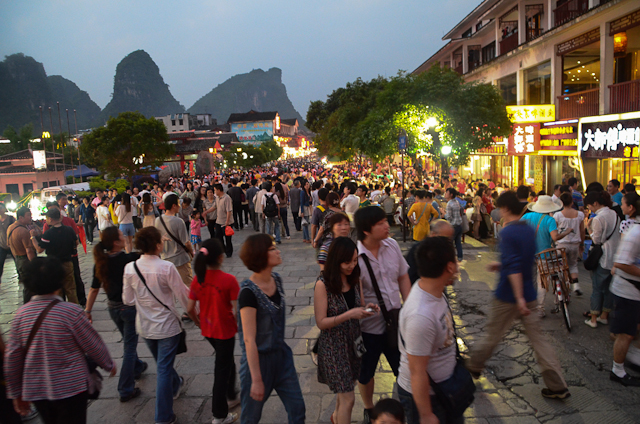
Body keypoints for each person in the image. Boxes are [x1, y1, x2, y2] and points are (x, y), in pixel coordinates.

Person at [467, 191, 570, 399]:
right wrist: (502, 265)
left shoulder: (507, 232)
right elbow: (521, 260)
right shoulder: (527, 230)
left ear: (505, 209)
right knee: (539, 341)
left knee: (493, 334)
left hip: (509, 295)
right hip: (529, 293)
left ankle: (473, 365)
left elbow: (514, 265)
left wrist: (518, 297)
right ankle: (558, 385)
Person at [4, 257, 116, 424]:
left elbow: (12, 356)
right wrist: (108, 364)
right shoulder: (71, 312)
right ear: (59, 282)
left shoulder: (21, 315)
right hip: (71, 387)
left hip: (37, 388)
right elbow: (92, 343)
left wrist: (15, 392)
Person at [123, 227, 190, 424]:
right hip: (167, 327)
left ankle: (176, 383)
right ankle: (163, 417)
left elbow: (127, 299)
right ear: (158, 245)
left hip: (144, 326)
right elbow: (182, 295)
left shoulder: (130, 268)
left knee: (163, 364)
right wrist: (196, 313)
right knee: (163, 368)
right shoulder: (166, 267)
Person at [237, 234, 305, 423]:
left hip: (282, 357)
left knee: (298, 409)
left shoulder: (277, 279)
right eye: (272, 248)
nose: (278, 251)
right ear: (261, 255)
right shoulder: (248, 293)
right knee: (250, 418)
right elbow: (249, 339)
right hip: (258, 362)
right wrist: (257, 379)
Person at [354, 206, 411, 424]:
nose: (387, 225)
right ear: (366, 231)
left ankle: (404, 410)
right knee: (366, 373)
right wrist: (362, 307)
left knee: (403, 369)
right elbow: (355, 294)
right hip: (369, 328)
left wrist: (408, 305)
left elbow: (403, 276)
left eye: (385, 221)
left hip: (396, 323)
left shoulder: (392, 245)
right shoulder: (356, 257)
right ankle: (369, 409)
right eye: (380, 224)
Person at [397, 237, 461, 424]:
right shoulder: (421, 316)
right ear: (449, 267)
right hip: (428, 398)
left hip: (444, 389)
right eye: (456, 260)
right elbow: (417, 370)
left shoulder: (432, 290)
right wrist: (425, 414)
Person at [314, 237, 378, 424]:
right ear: (335, 260)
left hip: (354, 345)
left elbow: (360, 306)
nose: (352, 265)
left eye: (355, 260)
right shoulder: (322, 284)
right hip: (334, 348)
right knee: (349, 399)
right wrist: (349, 314)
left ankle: (336, 418)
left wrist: (368, 309)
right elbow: (321, 322)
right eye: (347, 261)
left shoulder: (355, 279)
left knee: (344, 394)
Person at [85, 226, 147, 402]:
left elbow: (94, 289)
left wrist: (88, 311)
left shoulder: (101, 262)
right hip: (128, 308)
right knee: (129, 346)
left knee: (128, 341)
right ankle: (125, 388)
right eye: (121, 236)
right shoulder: (128, 260)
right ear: (116, 242)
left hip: (113, 308)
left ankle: (137, 367)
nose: (124, 237)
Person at [187, 239, 240, 423]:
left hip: (208, 330)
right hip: (224, 331)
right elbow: (236, 310)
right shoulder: (229, 280)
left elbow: (189, 308)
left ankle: (232, 394)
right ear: (220, 257)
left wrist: (198, 322)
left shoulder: (198, 279)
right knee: (221, 371)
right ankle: (220, 414)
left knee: (225, 362)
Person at [520, 195, 572, 317]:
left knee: (529, 280)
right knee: (542, 282)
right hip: (544, 255)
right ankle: (540, 309)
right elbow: (555, 237)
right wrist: (566, 232)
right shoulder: (550, 220)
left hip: (527, 254)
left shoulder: (526, 216)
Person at [609, 191, 640, 386]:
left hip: (634, 290)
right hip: (628, 290)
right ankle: (617, 370)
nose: (621, 206)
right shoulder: (635, 233)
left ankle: (634, 357)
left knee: (632, 329)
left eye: (623, 204)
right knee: (625, 333)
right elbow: (620, 262)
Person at [583, 190, 621, 328]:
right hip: (613, 257)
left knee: (597, 288)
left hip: (602, 257)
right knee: (608, 288)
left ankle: (593, 318)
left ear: (595, 203)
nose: (589, 209)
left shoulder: (598, 219)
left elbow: (597, 240)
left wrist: (588, 228)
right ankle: (604, 316)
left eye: (589, 206)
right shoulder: (614, 214)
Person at [31, 208, 79, 304]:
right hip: (68, 262)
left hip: (54, 266)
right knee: (71, 289)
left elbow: (40, 249)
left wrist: (32, 238)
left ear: (50, 219)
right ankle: (75, 309)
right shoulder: (69, 230)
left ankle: (59, 310)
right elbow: (76, 242)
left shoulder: (48, 233)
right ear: (60, 217)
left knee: (57, 290)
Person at [156, 193, 194, 291]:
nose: (180, 205)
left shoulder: (157, 220)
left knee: (169, 290)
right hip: (180, 259)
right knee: (189, 286)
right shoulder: (178, 221)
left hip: (165, 260)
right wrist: (192, 252)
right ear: (174, 206)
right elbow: (186, 242)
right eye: (178, 203)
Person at [553, 192, 585, 296]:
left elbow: (555, 231)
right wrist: (582, 244)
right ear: (572, 202)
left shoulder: (557, 215)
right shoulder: (579, 215)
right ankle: (576, 285)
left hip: (561, 244)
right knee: (573, 264)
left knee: (562, 266)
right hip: (575, 244)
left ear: (561, 203)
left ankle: (566, 287)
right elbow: (582, 230)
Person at [6, 207, 38, 303]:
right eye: (28, 215)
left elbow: (10, 246)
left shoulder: (10, 228)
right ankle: (29, 305)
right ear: (21, 217)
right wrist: (34, 263)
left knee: (27, 285)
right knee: (30, 286)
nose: (30, 217)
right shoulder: (23, 231)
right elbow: (28, 250)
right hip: (25, 259)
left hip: (18, 259)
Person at [214, 184, 235, 257]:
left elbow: (229, 210)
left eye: (215, 190)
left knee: (227, 238)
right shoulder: (217, 198)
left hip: (226, 222)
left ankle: (229, 252)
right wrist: (206, 212)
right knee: (218, 237)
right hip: (218, 221)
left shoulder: (227, 198)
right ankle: (224, 249)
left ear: (219, 190)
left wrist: (227, 221)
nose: (215, 192)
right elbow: (214, 207)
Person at [444, 188, 464, 262]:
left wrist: (443, 213)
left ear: (451, 194)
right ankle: (460, 257)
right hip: (459, 225)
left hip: (453, 226)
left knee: (449, 243)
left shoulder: (449, 204)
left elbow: (449, 217)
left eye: (447, 192)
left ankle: (450, 258)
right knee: (458, 242)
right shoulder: (456, 202)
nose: (445, 194)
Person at [0, 203, 16, 282]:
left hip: (12, 244)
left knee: (17, 260)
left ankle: (21, 276)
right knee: (0, 262)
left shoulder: (10, 218)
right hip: (2, 245)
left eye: (1, 208)